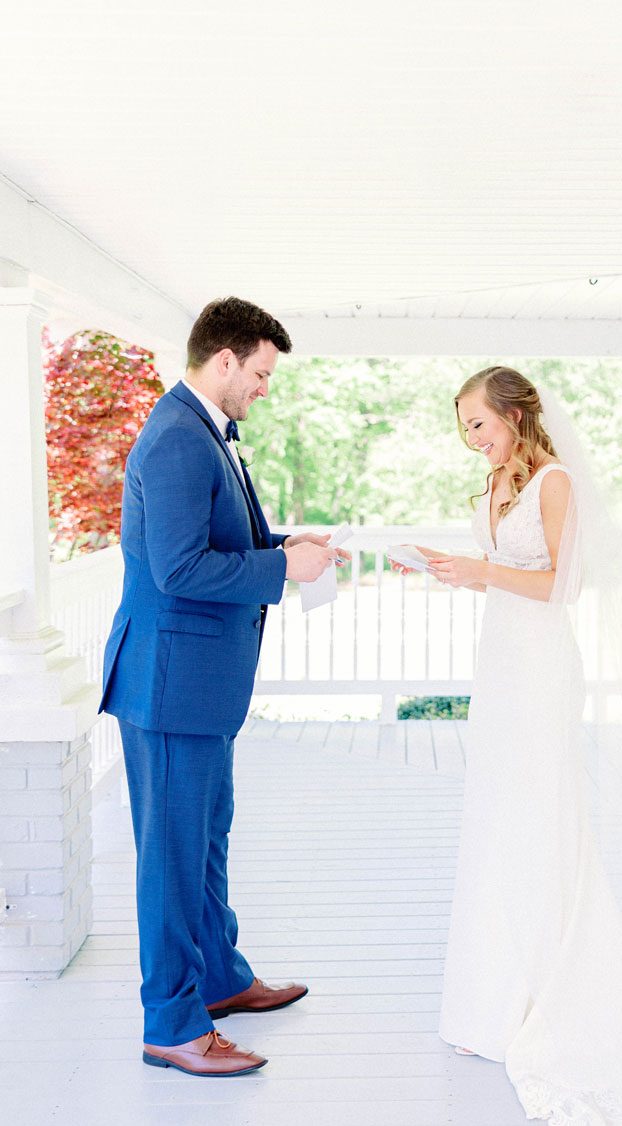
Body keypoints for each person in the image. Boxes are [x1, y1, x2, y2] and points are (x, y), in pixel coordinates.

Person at [393, 366, 622, 1124]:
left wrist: (483, 571)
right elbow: (500, 575)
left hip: (543, 668)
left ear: (517, 417)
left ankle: (547, 989)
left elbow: (564, 585)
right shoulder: (489, 486)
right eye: (463, 428)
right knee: (497, 820)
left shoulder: (552, 481)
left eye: (479, 425)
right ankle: (492, 1001)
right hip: (500, 663)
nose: (472, 439)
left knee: (539, 817)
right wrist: (452, 569)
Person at [100, 297, 347, 1077]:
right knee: (171, 859)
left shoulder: (205, 431)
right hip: (169, 687)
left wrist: (282, 545)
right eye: (263, 373)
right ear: (226, 360)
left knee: (205, 842)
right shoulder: (177, 438)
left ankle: (220, 980)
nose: (266, 389)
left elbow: (208, 543)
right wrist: (281, 571)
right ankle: (172, 1025)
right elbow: (176, 570)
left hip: (196, 688)